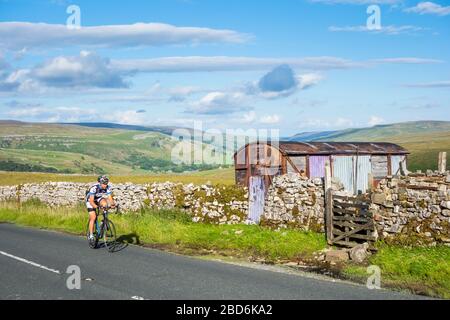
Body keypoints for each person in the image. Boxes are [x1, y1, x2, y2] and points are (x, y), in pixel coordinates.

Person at [86, 175, 115, 243]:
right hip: (90, 200)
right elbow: (91, 201)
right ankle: (91, 235)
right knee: (93, 217)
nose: (105, 185)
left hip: (98, 198)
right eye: (104, 184)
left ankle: (104, 220)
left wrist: (113, 204)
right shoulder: (94, 188)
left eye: (106, 183)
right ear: (100, 183)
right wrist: (96, 207)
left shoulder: (107, 188)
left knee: (105, 204)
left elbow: (110, 198)